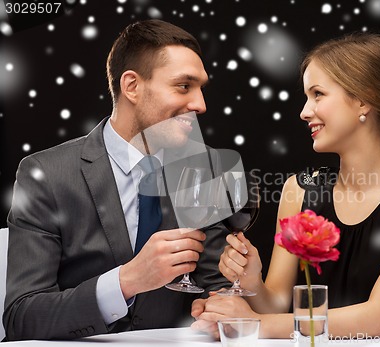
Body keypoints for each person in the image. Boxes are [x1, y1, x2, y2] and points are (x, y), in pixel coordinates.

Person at [192, 32, 380, 339]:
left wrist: (252, 324)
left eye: (318, 94)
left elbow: (375, 320)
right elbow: (276, 304)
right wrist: (252, 283)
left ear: (363, 99)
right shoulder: (298, 190)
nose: (304, 111)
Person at [4, 19, 230, 341]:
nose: (200, 104)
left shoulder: (202, 169)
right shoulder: (46, 175)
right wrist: (126, 281)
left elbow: (215, 285)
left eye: (200, 89)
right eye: (184, 86)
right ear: (132, 86)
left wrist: (220, 306)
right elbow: (21, 317)